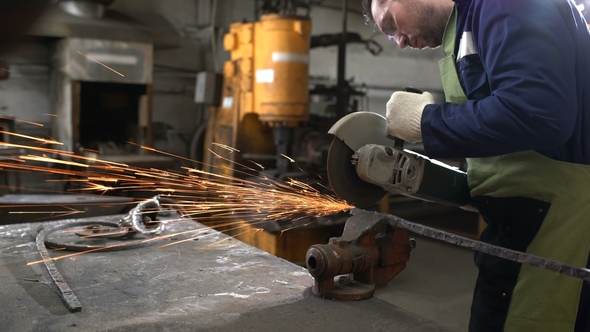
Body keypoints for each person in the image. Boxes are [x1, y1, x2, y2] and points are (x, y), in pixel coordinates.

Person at [362, 0, 590, 331]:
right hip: (524, 214)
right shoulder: (473, 20)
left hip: (553, 219)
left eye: (392, 26)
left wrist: (427, 121)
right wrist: (475, 185)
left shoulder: (505, 4)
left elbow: (538, 113)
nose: (399, 41)